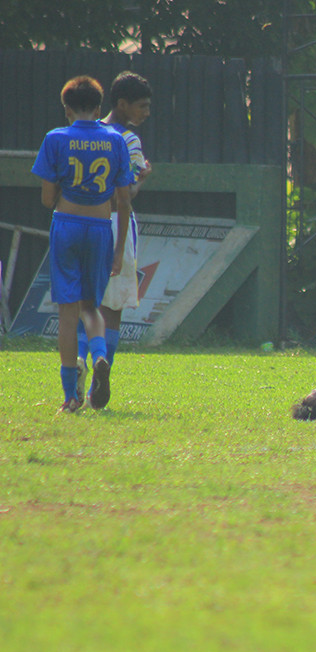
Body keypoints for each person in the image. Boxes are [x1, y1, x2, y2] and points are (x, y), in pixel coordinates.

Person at [31, 75, 134, 412]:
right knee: (92, 307)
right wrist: (118, 251)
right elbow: (124, 201)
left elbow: (47, 199)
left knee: (67, 312)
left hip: (67, 224)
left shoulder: (56, 138)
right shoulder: (116, 140)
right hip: (101, 226)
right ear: (99, 106)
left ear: (67, 108)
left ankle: (70, 396)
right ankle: (101, 356)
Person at [76, 71, 153, 403]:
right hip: (115, 224)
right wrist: (144, 176)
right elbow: (129, 192)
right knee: (115, 306)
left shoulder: (85, 134)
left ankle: (79, 361)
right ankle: (102, 369)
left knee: (85, 303)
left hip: (80, 221)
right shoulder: (128, 141)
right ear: (123, 104)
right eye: (142, 106)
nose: (146, 113)